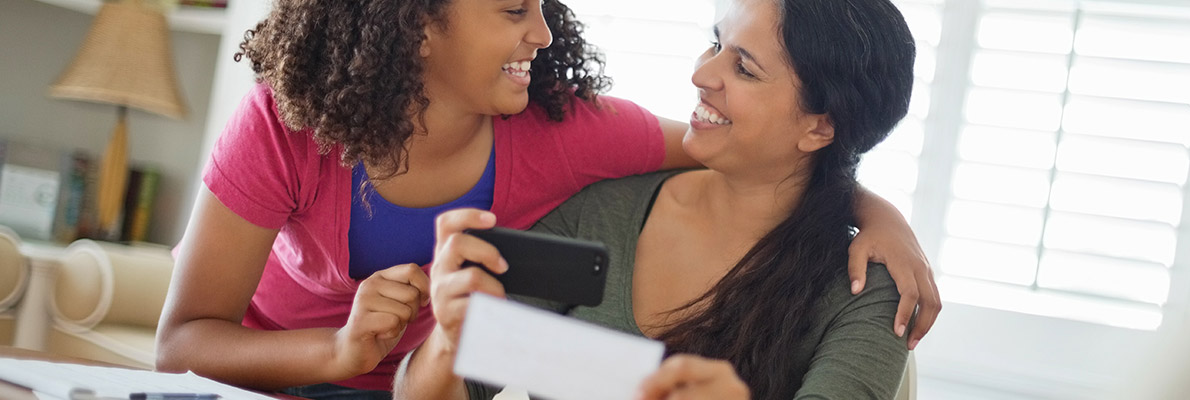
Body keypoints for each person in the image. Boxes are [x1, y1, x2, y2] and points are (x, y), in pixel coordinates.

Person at [155, 0, 936, 398]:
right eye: (510, 10)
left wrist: (873, 209)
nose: (542, 35)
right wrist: (431, 345)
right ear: (413, 24)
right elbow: (450, 384)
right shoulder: (598, 217)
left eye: (745, 66)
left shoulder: (571, 135)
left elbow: (763, 158)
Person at [399, 0, 918, 398]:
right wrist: (449, 337)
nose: (701, 75)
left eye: (745, 69)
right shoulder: (604, 211)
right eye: (716, 45)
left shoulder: (866, 293)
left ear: (820, 126)